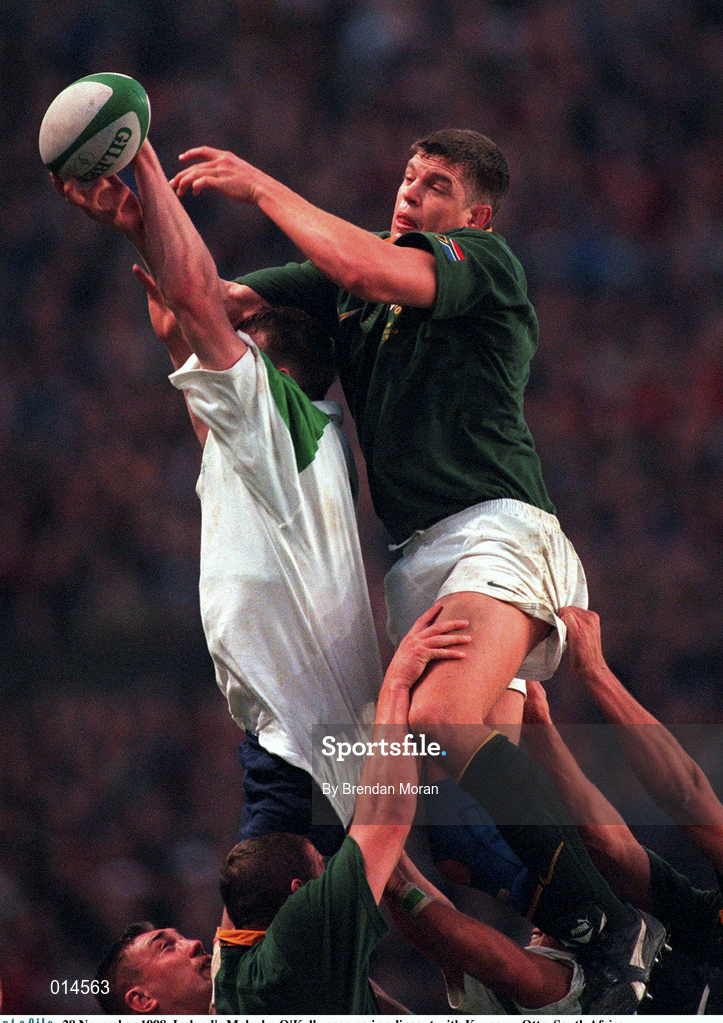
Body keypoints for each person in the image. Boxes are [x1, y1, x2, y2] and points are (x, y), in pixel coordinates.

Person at [166, 131, 665, 1006]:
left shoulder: (484, 263)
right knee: (459, 830)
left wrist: (257, 186)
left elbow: (362, 270)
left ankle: (606, 925)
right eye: (406, 175)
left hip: (495, 528)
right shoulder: (343, 274)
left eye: (435, 184)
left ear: (474, 214)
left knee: (434, 721)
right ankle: (616, 944)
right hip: (417, 565)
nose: (410, 192)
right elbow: (220, 302)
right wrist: (144, 213)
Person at [54, 155, 385, 853]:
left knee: (268, 912)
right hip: (306, 740)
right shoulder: (283, 443)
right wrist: (138, 233)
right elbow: (188, 318)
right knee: (338, 910)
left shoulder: (281, 424)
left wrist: (141, 155)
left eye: (239, 335)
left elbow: (194, 296)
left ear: (270, 367)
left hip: (303, 745)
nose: (214, 346)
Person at [522, 606, 723, 1013]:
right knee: (615, 867)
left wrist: (597, 672)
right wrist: (537, 725)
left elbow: (686, 796)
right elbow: (615, 851)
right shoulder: (705, 927)